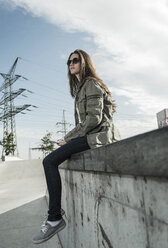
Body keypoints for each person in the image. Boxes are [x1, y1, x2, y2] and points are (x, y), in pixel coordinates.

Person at [33, 49, 120, 244]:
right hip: (92, 136)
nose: (70, 64)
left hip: (99, 137)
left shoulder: (91, 84)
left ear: (84, 63)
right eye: (68, 62)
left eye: (75, 60)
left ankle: (54, 218)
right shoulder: (81, 87)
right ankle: (54, 216)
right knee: (52, 159)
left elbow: (94, 119)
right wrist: (70, 138)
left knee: (49, 161)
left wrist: (69, 138)